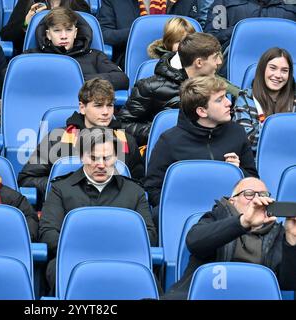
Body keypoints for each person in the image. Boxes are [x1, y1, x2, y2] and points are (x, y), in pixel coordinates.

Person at [39, 127, 157, 290]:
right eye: (93, 158)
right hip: (73, 260)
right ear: (81, 157)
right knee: (56, 270)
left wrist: (111, 251)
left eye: (107, 158)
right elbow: (48, 232)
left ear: (116, 157)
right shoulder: (61, 189)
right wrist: (83, 249)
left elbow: (149, 235)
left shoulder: (134, 191)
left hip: (122, 261)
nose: (101, 164)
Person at [18, 78, 144, 207]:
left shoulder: (126, 140)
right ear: (82, 108)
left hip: (113, 208)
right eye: (98, 105)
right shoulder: (57, 138)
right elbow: (27, 179)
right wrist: (67, 189)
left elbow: (138, 183)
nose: (106, 112)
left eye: (110, 105)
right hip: (65, 207)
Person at [164, 177, 296, 300]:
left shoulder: (278, 233)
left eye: (263, 195)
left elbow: (288, 283)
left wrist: (291, 237)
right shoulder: (215, 218)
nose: (256, 199)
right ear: (232, 201)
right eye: (249, 194)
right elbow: (194, 242)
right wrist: (244, 222)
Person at [145, 76, 258, 216]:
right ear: (202, 111)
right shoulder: (169, 141)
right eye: (220, 99)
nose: (229, 103)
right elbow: (153, 188)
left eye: (225, 97)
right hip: (184, 214)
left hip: (230, 215)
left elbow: (254, 182)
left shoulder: (237, 132)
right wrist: (177, 206)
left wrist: (238, 171)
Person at [117, 32, 241, 146]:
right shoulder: (150, 87)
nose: (219, 62)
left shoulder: (217, 84)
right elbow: (121, 126)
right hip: (169, 152)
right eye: (215, 57)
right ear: (199, 62)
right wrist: (160, 131)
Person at [25, 7, 129, 90]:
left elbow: (122, 79)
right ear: (48, 34)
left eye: (69, 30)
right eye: (57, 30)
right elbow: (11, 78)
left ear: (75, 33)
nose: (64, 36)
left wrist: (79, 79)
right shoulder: (32, 56)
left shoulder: (94, 56)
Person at [234, 47, 295, 153]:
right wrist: (286, 136)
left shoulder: (294, 100)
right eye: (273, 68)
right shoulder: (245, 98)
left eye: (284, 71)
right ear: (262, 69)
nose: (278, 75)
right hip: (256, 164)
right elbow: (245, 141)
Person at [98, 0, 190, 69]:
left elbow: (194, 35)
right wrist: (138, 32)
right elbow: (104, 34)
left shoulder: (183, 2)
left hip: (179, 58)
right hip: (131, 59)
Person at [0, 0, 90, 56]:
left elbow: (86, 36)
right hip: (37, 55)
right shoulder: (28, 2)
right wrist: (26, 23)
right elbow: (7, 36)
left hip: (72, 56)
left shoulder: (79, 6)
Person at [205, 0, 296, 51]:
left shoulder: (291, 7)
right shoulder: (224, 2)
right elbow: (210, 39)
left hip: (281, 63)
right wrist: (238, 31)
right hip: (233, 61)